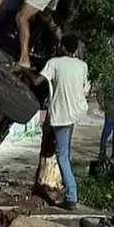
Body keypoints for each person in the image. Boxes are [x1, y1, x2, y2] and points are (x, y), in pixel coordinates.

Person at [28, 34, 89, 210]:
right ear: (75, 49)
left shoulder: (54, 63)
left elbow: (36, 81)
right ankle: (68, 192)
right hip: (75, 112)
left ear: (62, 46)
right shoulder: (82, 66)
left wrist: (24, 68)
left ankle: (71, 196)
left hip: (60, 114)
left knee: (62, 156)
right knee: (65, 152)